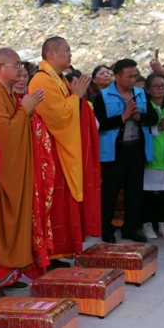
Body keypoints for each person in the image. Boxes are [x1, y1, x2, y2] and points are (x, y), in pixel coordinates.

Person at [0, 49, 51, 291]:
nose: (21, 70)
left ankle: (9, 273)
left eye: (21, 65)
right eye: (16, 65)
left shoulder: (6, 93)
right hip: (0, 177)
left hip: (12, 171)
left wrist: (23, 110)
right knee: (1, 225)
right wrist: (25, 109)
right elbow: (3, 135)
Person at [29, 37, 102, 256]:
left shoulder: (58, 78)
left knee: (62, 205)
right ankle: (49, 252)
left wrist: (75, 98)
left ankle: (59, 251)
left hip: (59, 151)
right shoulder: (41, 80)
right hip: (50, 154)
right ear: (51, 55)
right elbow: (59, 117)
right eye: (66, 50)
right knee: (54, 205)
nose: (70, 54)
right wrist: (76, 97)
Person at [93, 59, 158, 243]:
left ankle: (130, 228)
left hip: (136, 150)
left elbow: (153, 118)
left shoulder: (141, 93)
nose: (133, 79)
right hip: (115, 152)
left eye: (135, 76)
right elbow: (100, 124)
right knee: (109, 193)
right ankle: (106, 229)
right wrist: (123, 117)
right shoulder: (103, 96)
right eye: (130, 76)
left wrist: (138, 117)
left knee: (134, 192)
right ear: (118, 76)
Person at [141, 73, 164, 239]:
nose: (160, 89)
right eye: (155, 86)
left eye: (163, 85)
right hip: (151, 156)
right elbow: (140, 131)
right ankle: (147, 225)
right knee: (147, 194)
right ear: (147, 89)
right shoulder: (144, 108)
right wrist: (159, 128)